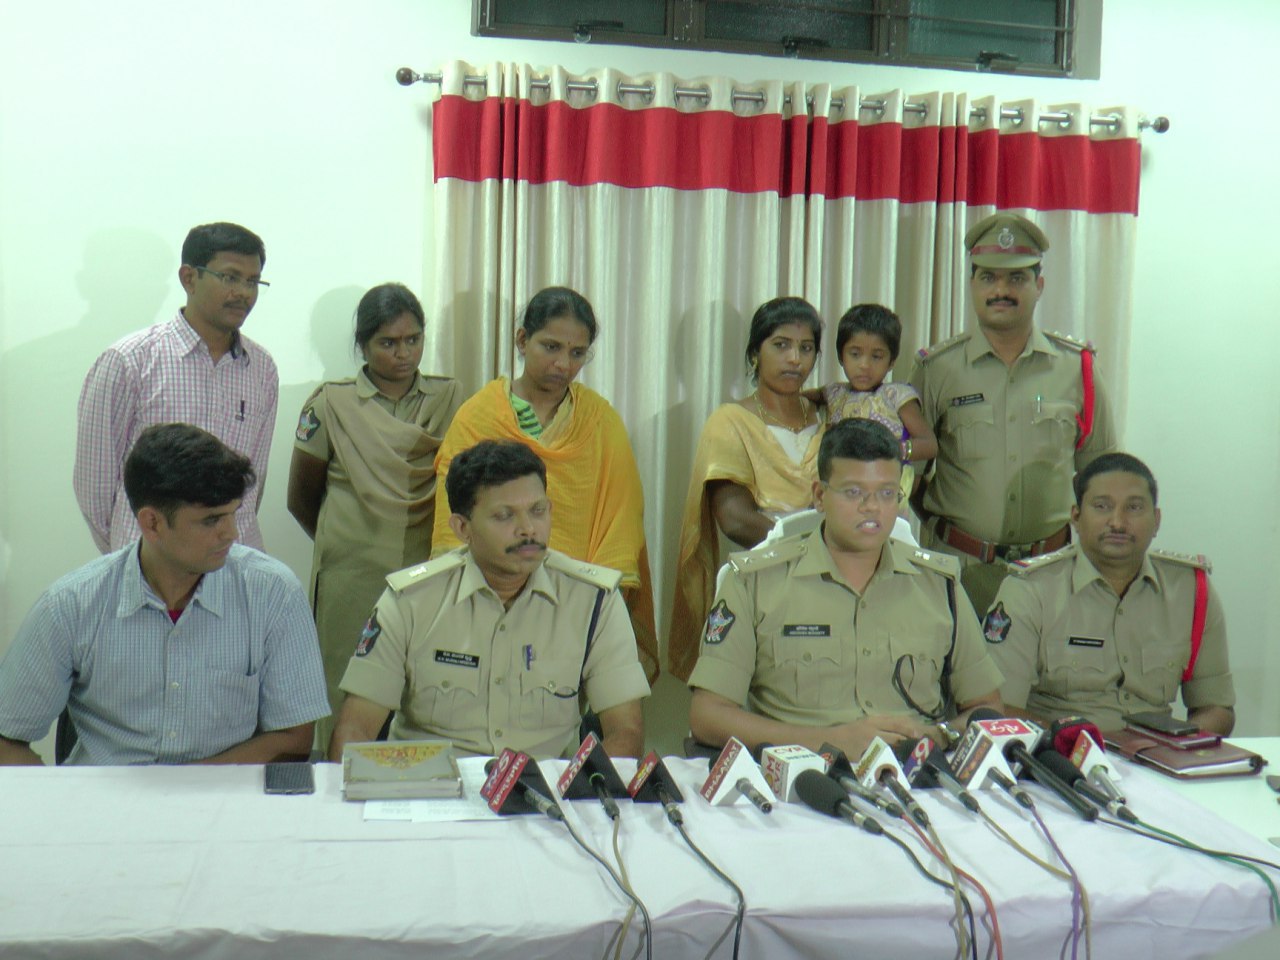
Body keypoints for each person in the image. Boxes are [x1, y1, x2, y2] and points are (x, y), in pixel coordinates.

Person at [0, 424, 330, 765]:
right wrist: (64, 797)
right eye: (211, 520)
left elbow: (293, 738)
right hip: (105, 793)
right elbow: (6, 738)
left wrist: (186, 788)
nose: (231, 533)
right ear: (152, 523)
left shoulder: (273, 594)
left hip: (223, 793)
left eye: (233, 514)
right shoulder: (70, 606)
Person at [687, 419, 1003, 758]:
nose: (872, 507)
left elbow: (986, 708)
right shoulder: (754, 583)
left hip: (916, 773)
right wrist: (829, 741)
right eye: (854, 492)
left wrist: (935, 735)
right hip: (802, 776)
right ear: (819, 496)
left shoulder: (939, 584)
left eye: (887, 493)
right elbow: (708, 716)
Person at [329, 440, 650, 761]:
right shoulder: (410, 601)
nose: (528, 529)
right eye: (504, 516)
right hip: (433, 785)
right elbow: (355, 728)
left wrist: (582, 786)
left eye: (537, 511)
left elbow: (626, 732)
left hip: (543, 787)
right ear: (462, 528)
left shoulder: (593, 601)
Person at [429, 287, 658, 682]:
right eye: (551, 347)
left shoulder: (600, 421)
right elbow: (455, 518)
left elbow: (622, 520)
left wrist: (591, 607)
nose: (563, 364)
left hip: (577, 606)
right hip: (488, 599)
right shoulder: (478, 417)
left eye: (577, 353)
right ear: (522, 340)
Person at [910, 213, 1117, 614]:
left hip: (1050, 576)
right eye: (988, 277)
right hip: (957, 576)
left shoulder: (1078, 369)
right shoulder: (935, 370)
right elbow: (906, 481)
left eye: (1017, 278)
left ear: (1039, 285)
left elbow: (1103, 480)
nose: (1001, 290)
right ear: (972, 284)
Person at [287, 283, 462, 748]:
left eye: (413, 340)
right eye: (388, 342)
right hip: (350, 578)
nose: (403, 354)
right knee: (345, 691)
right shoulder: (331, 404)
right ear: (362, 345)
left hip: (428, 574)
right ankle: (339, 788)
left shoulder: (450, 399)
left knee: (424, 693)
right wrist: (350, 543)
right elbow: (300, 497)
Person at [983, 453, 1235, 734]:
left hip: (1157, 753)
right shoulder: (1030, 589)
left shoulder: (1190, 590)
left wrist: (1178, 745)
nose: (1117, 522)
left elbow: (1217, 708)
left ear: (1157, 520)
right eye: (1102, 506)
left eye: (1134, 507)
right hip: (1061, 755)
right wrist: (1073, 744)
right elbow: (1000, 709)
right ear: (1076, 517)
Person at [75, 222, 277, 552]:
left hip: (234, 559)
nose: (243, 292)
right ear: (189, 278)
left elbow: (254, 483)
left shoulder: (262, 368)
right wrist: (130, 553)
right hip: (152, 562)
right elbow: (94, 487)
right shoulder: (129, 361)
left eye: (253, 281)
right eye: (230, 277)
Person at [669, 296, 825, 681]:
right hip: (762, 583)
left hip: (832, 584)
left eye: (806, 348)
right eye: (781, 345)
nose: (795, 359)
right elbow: (735, 519)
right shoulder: (731, 420)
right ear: (755, 353)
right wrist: (818, 550)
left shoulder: (830, 417)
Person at [819, 303, 937, 505]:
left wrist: (894, 450)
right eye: (855, 354)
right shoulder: (833, 393)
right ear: (840, 356)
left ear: (892, 361)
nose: (864, 365)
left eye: (876, 356)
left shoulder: (897, 396)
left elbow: (929, 445)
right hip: (843, 487)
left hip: (887, 489)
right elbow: (796, 398)